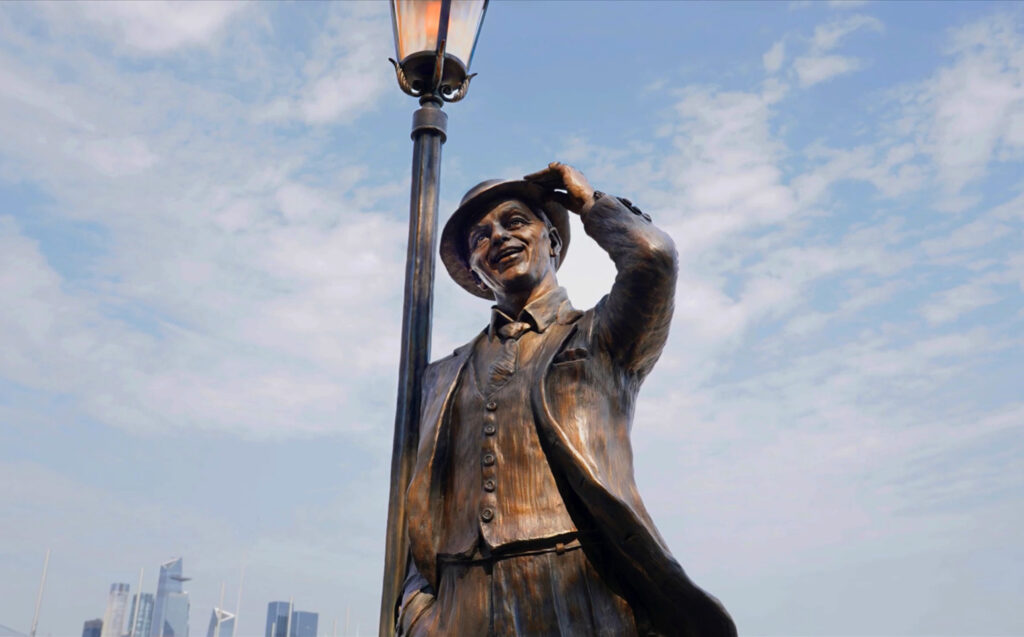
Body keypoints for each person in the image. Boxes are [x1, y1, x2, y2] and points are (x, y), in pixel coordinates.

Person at [397, 163, 736, 637]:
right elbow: (423, 507)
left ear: (553, 240)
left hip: (574, 592)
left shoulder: (602, 336)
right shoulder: (440, 376)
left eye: (515, 222)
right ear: (474, 272)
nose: (496, 237)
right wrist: (416, 613)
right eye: (480, 236)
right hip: (460, 607)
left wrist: (588, 203)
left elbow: (654, 257)